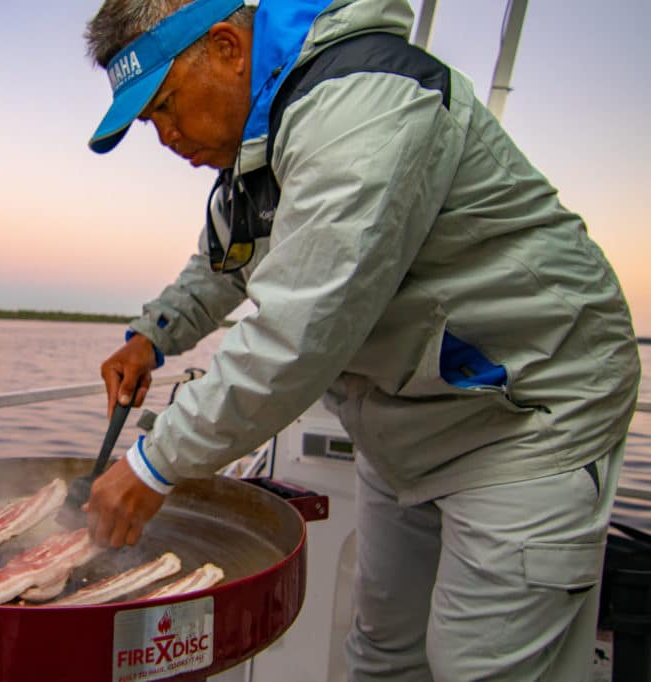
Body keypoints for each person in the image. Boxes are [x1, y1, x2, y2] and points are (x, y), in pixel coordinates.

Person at [81, 0, 642, 679]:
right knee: (382, 651)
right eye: (150, 124)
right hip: (407, 422)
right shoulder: (261, 143)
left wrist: (153, 464)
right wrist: (152, 337)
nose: (166, 136)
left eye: (166, 107)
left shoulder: (362, 102)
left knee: (477, 667)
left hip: (525, 409)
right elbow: (223, 261)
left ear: (228, 47)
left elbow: (298, 330)